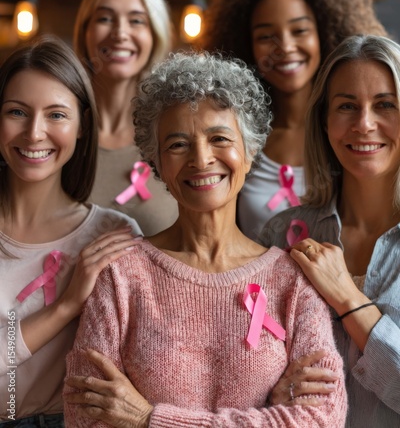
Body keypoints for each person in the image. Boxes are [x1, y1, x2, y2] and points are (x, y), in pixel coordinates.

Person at [63, 51, 347, 427]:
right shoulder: (121, 277)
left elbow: (321, 419)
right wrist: (268, 417)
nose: (200, 158)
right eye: (178, 144)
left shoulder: (293, 282)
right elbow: (85, 416)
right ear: (158, 163)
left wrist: (149, 420)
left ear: (249, 152)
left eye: (219, 138)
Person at [0, 36, 142, 426]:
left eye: (57, 115)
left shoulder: (113, 234)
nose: (34, 133)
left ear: (82, 126)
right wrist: (66, 306)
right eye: (16, 112)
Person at [260, 34, 400, 427]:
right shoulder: (280, 233)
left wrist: (346, 298)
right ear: (323, 121)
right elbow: (244, 367)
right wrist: (272, 390)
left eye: (385, 104)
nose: (364, 124)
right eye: (346, 106)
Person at [202, 0, 387, 242]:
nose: (285, 47)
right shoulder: (236, 137)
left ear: (324, 34)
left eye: (299, 30)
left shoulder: (355, 133)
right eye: (266, 36)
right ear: (245, 45)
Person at [74, 0, 178, 236]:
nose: (120, 33)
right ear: (85, 31)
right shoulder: (57, 129)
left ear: (154, 35)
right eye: (105, 18)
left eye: (136, 21)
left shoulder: (175, 133)